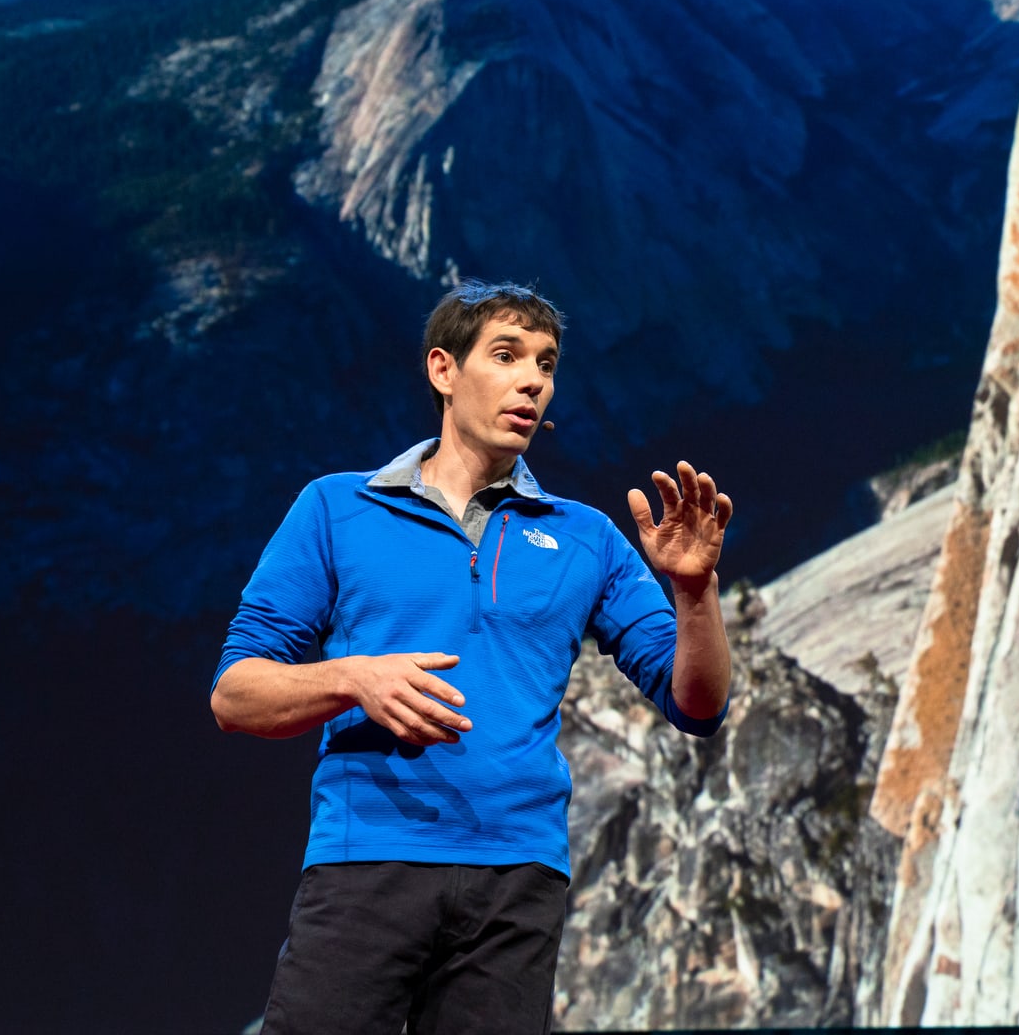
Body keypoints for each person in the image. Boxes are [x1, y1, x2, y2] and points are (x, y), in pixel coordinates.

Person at [211, 279, 733, 1034]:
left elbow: (697, 704)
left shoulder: (586, 537)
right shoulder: (335, 508)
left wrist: (693, 591)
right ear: (444, 370)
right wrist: (353, 677)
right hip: (368, 868)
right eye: (507, 355)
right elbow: (235, 695)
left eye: (546, 364)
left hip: (517, 883)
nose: (533, 380)